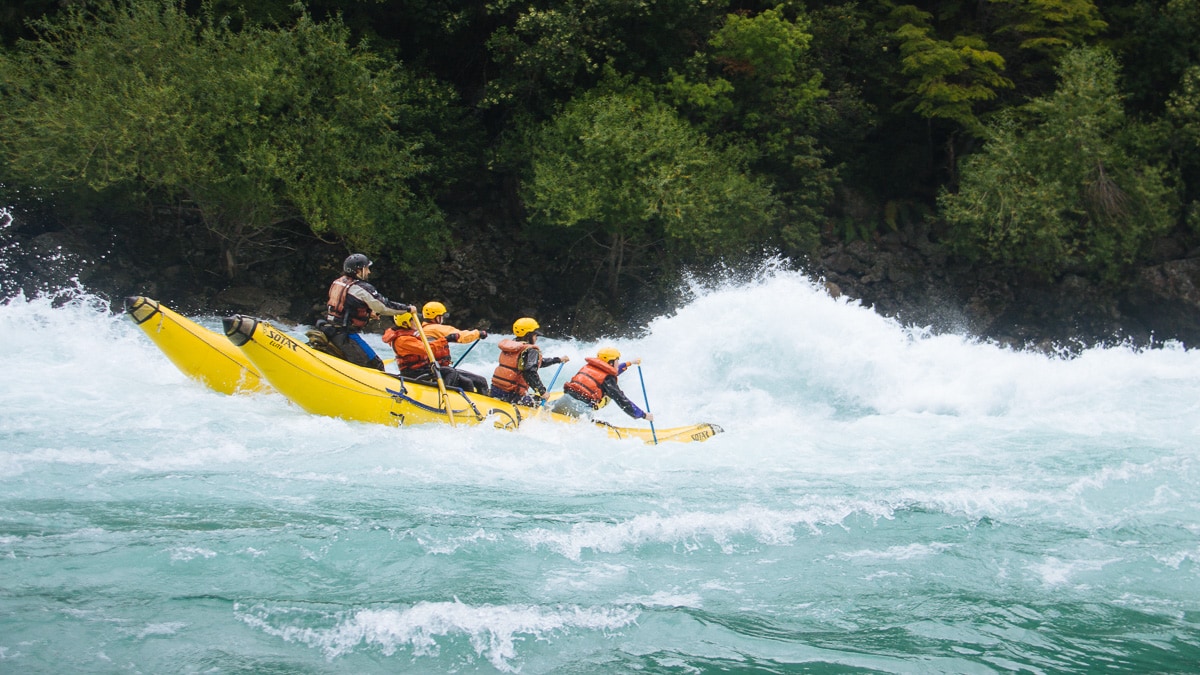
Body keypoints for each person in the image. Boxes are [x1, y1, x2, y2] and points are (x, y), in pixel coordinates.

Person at [319, 253, 415, 371]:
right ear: (359, 270)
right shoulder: (361, 288)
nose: (369, 272)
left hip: (330, 329)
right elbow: (384, 306)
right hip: (345, 334)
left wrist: (369, 313)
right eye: (367, 268)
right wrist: (408, 309)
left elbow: (346, 306)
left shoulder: (337, 282)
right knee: (376, 365)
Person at [382, 311, 490, 394]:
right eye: (413, 320)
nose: (416, 322)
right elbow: (426, 349)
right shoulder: (403, 340)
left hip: (424, 369)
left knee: (472, 381)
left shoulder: (410, 335)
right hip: (414, 372)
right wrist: (446, 339)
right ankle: (445, 397)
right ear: (405, 323)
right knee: (451, 373)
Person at [551, 346, 654, 422]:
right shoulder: (608, 379)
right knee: (600, 420)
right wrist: (643, 415)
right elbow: (621, 400)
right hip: (579, 410)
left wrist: (629, 363)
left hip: (561, 402)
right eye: (617, 360)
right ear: (611, 362)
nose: (618, 363)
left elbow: (609, 371)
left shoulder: (588, 367)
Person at [489, 317, 570, 406]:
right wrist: (542, 392)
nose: (536, 338)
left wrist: (557, 360)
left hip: (496, 390)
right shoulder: (531, 350)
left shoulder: (512, 346)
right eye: (535, 335)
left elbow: (536, 362)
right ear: (528, 335)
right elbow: (529, 372)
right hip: (513, 396)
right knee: (547, 405)